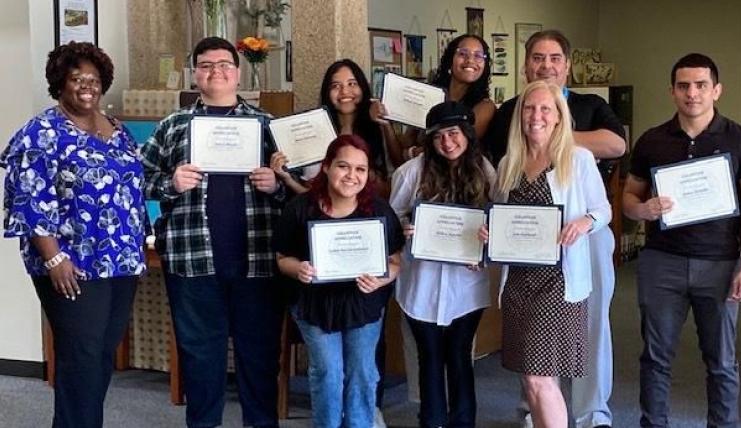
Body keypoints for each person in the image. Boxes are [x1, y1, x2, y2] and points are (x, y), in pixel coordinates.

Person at [140, 36, 286, 428]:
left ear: (237, 72)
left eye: (223, 64)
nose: (215, 71)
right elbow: (135, 179)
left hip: (257, 266)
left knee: (259, 361)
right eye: (206, 65)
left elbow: (302, 190)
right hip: (192, 265)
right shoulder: (173, 126)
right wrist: (171, 182)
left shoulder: (267, 126)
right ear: (195, 74)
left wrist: (277, 186)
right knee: (201, 363)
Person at [484, 29, 626, 428]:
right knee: (531, 379)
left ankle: (589, 412)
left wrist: (585, 222)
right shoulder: (510, 161)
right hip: (520, 280)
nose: (536, 116)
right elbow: (499, 211)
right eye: (531, 110)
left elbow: (603, 205)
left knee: (541, 375)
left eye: (546, 111)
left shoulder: (577, 156)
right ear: (525, 64)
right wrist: (490, 234)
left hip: (560, 278)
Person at [0, 42, 145, 428]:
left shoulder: (117, 129)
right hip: (71, 263)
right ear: (59, 84)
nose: (87, 86)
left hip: (120, 260)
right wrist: (53, 258)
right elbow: (28, 200)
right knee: (80, 355)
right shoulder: (40, 132)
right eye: (77, 78)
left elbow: (133, 186)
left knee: (100, 355)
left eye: (94, 80)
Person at [622, 53, 741, 428]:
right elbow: (627, 199)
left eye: (701, 85)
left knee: (721, 360)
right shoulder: (652, 141)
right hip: (661, 262)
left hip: (719, 264)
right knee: (655, 357)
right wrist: (644, 210)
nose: (692, 93)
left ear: (716, 90)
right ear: (672, 92)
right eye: (684, 85)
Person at [274, 135, 404, 428]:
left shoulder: (379, 210)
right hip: (314, 304)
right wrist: (300, 269)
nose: (351, 176)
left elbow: (396, 262)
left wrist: (382, 281)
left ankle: (360, 424)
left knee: (362, 372)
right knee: (328, 373)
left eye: (360, 169)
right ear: (327, 167)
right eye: (343, 166)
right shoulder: (300, 208)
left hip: (363, 303)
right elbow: (282, 259)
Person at [389, 101, 496, 428]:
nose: (447, 143)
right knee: (430, 358)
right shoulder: (411, 172)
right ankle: (431, 421)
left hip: (467, 283)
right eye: (438, 137)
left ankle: (463, 422)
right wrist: (404, 228)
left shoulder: (485, 170)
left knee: (460, 356)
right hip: (420, 282)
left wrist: (486, 245)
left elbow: (498, 222)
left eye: (453, 134)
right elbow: (390, 218)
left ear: (466, 133)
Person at [373, 34, 496, 166]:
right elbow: (399, 159)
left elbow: (452, 151)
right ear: (450, 59)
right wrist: (385, 123)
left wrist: (412, 153)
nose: (470, 60)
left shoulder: (485, 107)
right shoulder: (429, 97)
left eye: (478, 56)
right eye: (463, 53)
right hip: (417, 181)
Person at [271, 59, 390, 195]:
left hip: (369, 213)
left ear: (362, 87)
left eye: (352, 84)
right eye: (336, 86)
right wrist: (287, 179)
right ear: (327, 92)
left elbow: (388, 187)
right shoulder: (315, 131)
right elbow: (311, 195)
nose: (345, 91)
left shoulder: (377, 129)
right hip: (321, 214)